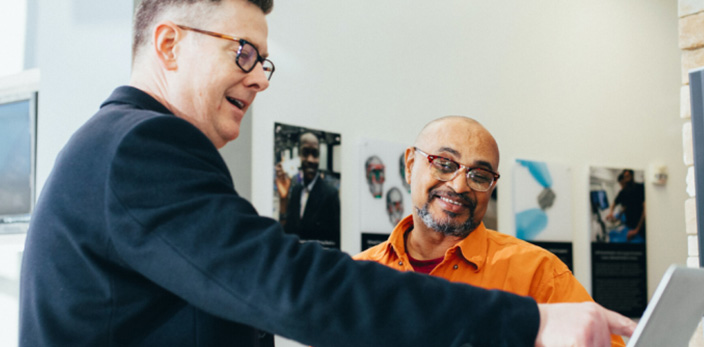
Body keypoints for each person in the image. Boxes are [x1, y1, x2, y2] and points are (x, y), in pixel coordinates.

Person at [19, 0, 636, 346]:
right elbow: (289, 284)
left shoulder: (122, 147)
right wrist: (527, 322)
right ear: (170, 45)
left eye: (264, 61)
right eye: (243, 52)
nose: (259, 75)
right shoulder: (140, 147)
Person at [355, 116, 625, 346]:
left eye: (480, 175)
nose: (460, 186)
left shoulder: (538, 274)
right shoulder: (357, 276)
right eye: (445, 164)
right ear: (411, 164)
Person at [275, 132, 341, 249]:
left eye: (315, 154)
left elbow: (335, 243)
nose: (310, 160)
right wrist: (283, 199)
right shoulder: (296, 191)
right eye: (305, 153)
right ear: (299, 155)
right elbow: (287, 234)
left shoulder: (330, 195)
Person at [606, 169, 646, 242]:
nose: (626, 179)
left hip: (641, 227)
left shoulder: (640, 188)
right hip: (629, 226)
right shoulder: (623, 192)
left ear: (632, 176)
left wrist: (637, 230)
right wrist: (611, 213)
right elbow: (615, 203)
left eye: (628, 176)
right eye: (625, 177)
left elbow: (645, 210)